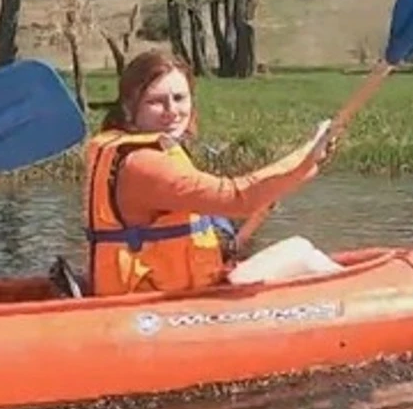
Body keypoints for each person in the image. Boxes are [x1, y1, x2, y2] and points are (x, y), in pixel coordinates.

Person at [82, 46, 342, 297]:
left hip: (177, 292)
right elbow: (236, 198)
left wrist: (309, 164)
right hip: (156, 306)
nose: (172, 111)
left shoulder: (142, 150)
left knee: (299, 250)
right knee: (302, 251)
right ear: (129, 107)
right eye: (156, 101)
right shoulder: (143, 164)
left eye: (179, 98)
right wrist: (306, 154)